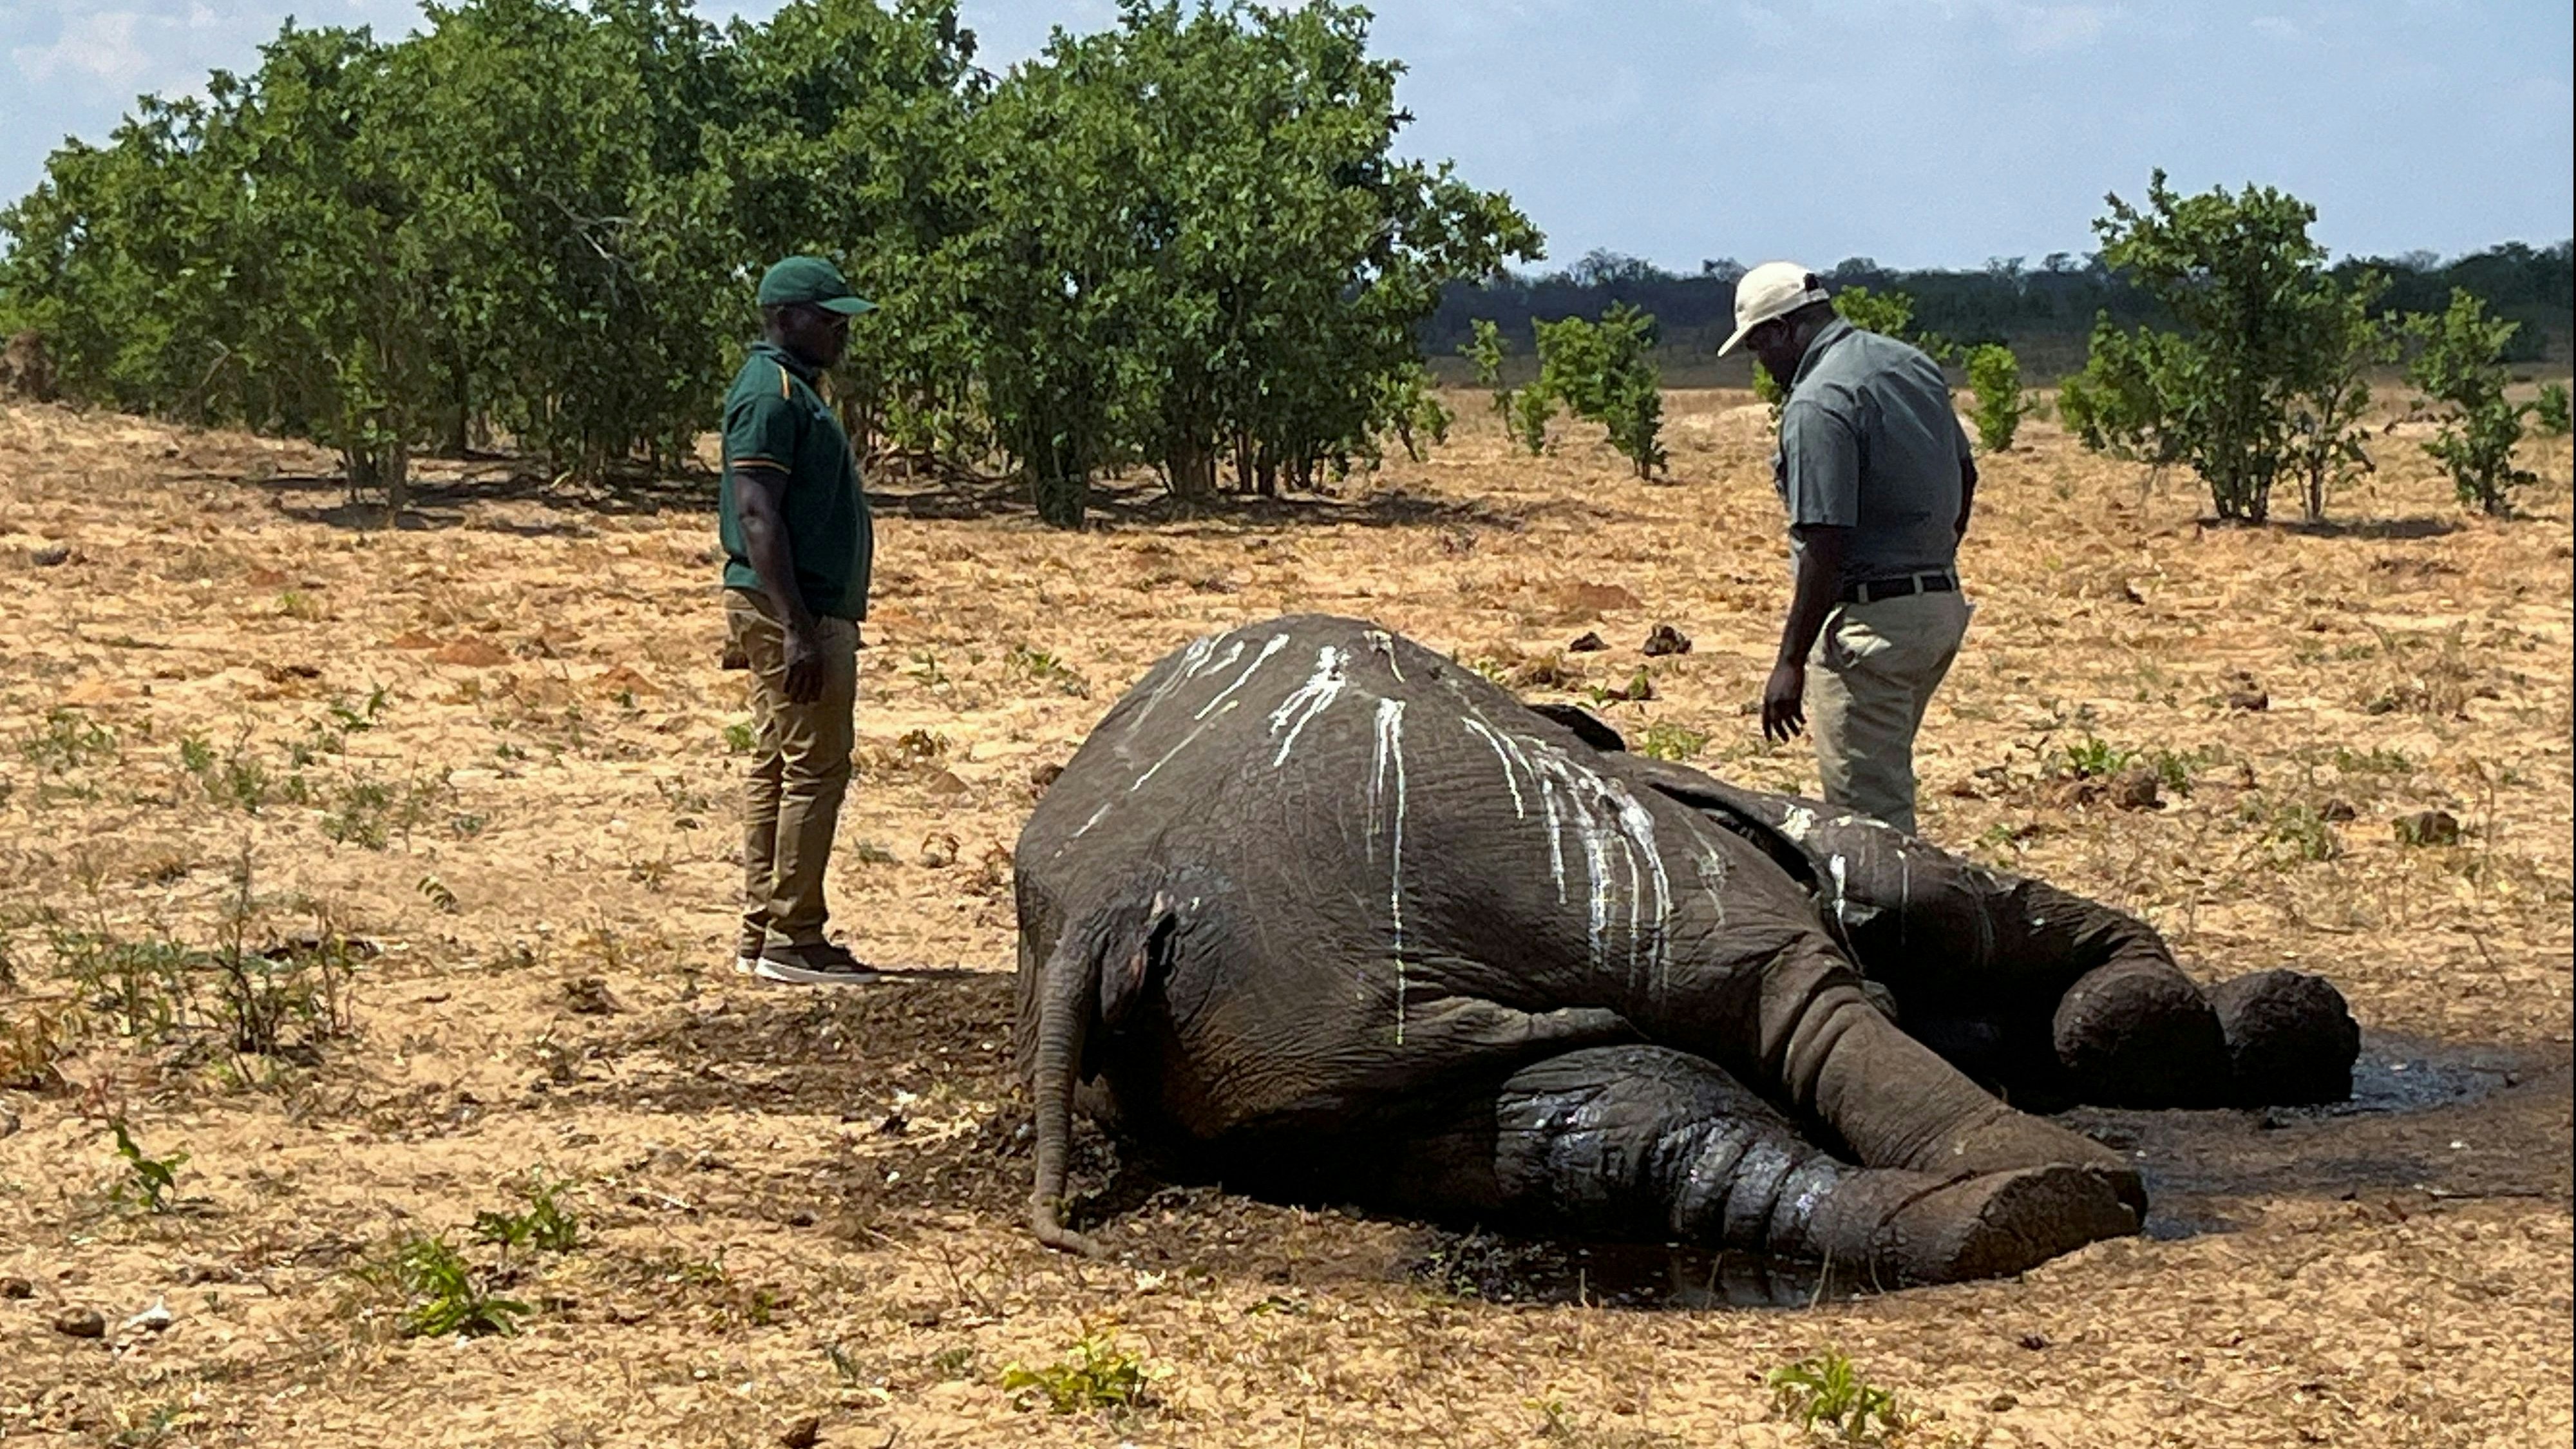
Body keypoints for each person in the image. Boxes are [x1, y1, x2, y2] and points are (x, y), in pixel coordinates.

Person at [1718, 261, 1976, 837]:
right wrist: (1927, 558)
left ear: (1785, 330)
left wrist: (1789, 662)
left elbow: (1824, 542)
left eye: (1761, 347)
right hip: (1938, 610)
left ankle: (1900, 927)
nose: (1763, 364)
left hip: (1871, 633)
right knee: (1886, 781)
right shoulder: (1909, 364)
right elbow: (1966, 476)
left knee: (1871, 827)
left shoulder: (1818, 403)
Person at [721, 256, 880, 984]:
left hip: (799, 605)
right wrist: (795, 626)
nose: (841, 330)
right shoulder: (772, 395)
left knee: (779, 763)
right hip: (797, 608)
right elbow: (757, 513)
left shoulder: (795, 390)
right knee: (815, 766)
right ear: (786, 318)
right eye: (828, 317)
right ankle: (794, 938)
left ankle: (766, 932)